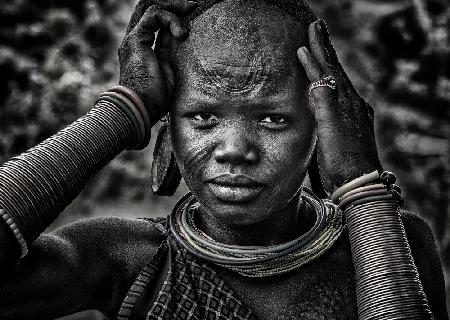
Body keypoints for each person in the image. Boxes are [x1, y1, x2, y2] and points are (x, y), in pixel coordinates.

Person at [0, 0, 448, 319]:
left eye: (274, 118)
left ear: (323, 128)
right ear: (169, 129)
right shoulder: (124, 258)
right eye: (203, 116)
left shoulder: (396, 242)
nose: (234, 149)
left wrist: (362, 187)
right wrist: (124, 110)